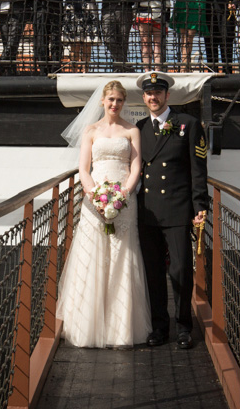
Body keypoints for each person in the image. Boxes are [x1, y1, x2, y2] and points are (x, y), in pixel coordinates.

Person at [56, 80, 151, 348]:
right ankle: (89, 324)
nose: (114, 104)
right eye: (110, 100)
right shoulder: (90, 130)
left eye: (119, 100)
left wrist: (123, 195)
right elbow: (84, 168)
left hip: (124, 200)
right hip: (94, 199)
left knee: (123, 254)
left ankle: (120, 328)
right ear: (102, 101)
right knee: (93, 253)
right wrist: (95, 196)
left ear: (124, 103)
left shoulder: (132, 130)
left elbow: (135, 168)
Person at [136, 71, 209, 349]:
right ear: (144, 97)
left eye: (158, 92)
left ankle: (183, 327)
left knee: (180, 271)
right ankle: (159, 327)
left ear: (168, 95)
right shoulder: (139, 129)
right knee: (153, 272)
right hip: (148, 212)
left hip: (178, 210)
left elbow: (197, 171)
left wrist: (200, 206)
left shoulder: (188, 125)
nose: (153, 97)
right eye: (149, 93)